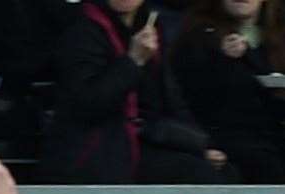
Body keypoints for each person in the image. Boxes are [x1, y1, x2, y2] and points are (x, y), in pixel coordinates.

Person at [36, 0, 230, 184]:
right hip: (97, 149)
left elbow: (170, 99)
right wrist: (133, 60)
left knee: (225, 169)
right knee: (197, 173)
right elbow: (88, 103)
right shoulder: (81, 28)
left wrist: (201, 144)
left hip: (144, 139)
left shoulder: (150, 25)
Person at [169, 0, 285, 183]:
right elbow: (190, 98)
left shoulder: (284, 30)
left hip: (278, 137)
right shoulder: (198, 32)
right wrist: (222, 60)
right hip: (223, 140)